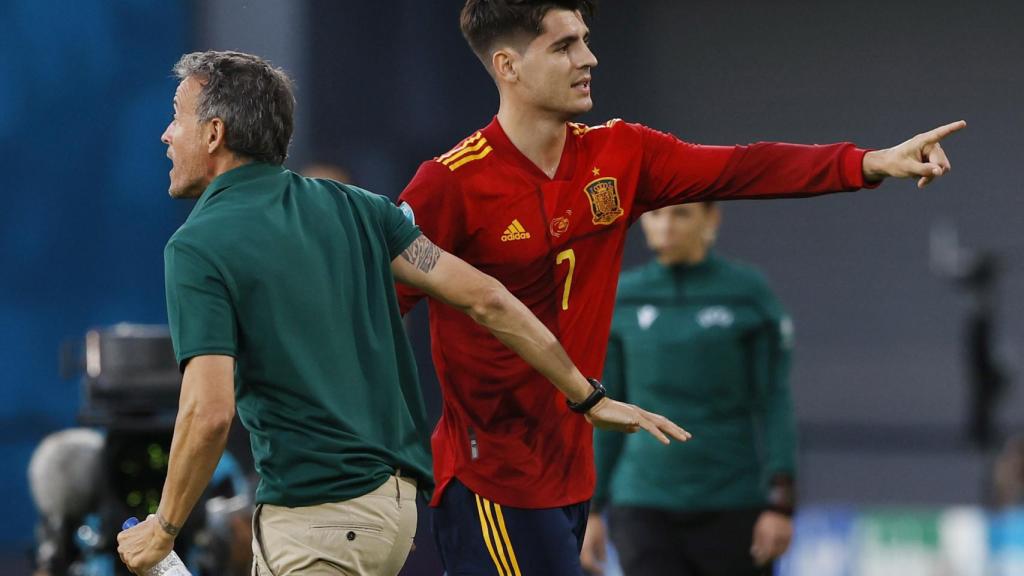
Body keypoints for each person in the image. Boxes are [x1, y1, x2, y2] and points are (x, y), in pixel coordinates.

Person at [394, 1, 964, 573]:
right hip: (492, 475)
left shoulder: (620, 153)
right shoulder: (450, 184)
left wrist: (869, 162)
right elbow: (370, 311)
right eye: (564, 46)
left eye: (585, 40)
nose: (588, 58)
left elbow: (743, 169)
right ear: (507, 65)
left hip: (574, 467)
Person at [115, 50, 688, 576]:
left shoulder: (198, 245)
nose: (167, 134)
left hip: (317, 518)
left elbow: (209, 411)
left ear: (215, 133)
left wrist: (163, 531)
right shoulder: (361, 209)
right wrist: (587, 395)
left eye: (177, 116)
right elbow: (487, 297)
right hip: (393, 516)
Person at [581, 202, 796, 575]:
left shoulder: (747, 294)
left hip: (732, 501)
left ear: (711, 218)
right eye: (655, 214)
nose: (665, 227)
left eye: (681, 214)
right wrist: (592, 509)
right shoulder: (622, 296)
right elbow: (605, 410)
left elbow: (774, 400)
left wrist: (781, 503)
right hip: (643, 503)